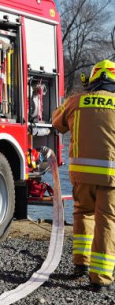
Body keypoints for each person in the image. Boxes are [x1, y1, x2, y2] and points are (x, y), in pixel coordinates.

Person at [51, 59, 115, 292]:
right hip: (110, 177)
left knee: (83, 213)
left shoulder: (75, 101)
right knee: (107, 222)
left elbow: (57, 123)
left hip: (81, 175)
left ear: (93, 80)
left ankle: (81, 264)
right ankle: (101, 279)